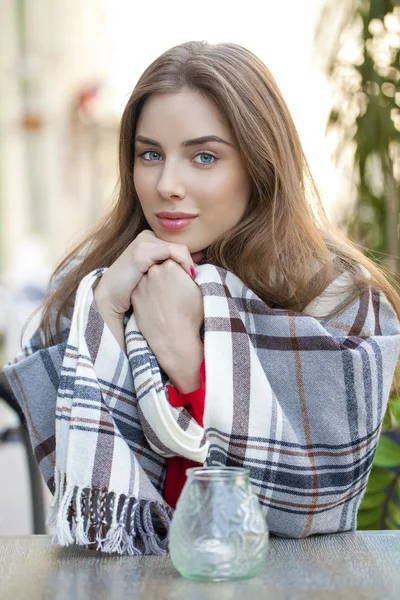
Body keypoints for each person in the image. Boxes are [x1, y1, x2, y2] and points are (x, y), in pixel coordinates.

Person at [4, 41, 400, 554]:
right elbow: (81, 489)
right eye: (150, 154)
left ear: (259, 165)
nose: (167, 183)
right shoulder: (94, 288)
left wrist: (191, 359)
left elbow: (317, 504)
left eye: (204, 156)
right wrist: (104, 309)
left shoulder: (337, 299)